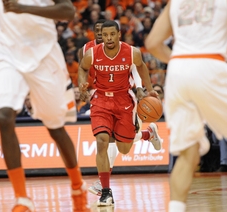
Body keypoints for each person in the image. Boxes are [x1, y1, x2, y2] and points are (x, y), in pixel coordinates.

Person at [145, 0, 227, 211]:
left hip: (178, 71)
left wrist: (181, 61)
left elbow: (152, 43)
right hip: (212, 65)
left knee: (187, 152)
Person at [0, 1, 89, 211]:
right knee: (4, 116)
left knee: (55, 129)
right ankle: (22, 199)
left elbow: (67, 11)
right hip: (7, 55)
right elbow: (0, 7)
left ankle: (77, 186)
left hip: (44, 55)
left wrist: (23, 8)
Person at [78, 20, 161, 206]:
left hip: (123, 100)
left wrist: (148, 89)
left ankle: (147, 134)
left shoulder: (132, 52)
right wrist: (81, 85)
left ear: (118, 35)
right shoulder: (92, 53)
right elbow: (82, 68)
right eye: (104, 34)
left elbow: (141, 67)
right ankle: (106, 192)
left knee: (124, 148)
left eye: (111, 34)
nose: (107, 38)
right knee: (102, 141)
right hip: (100, 100)